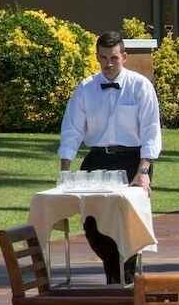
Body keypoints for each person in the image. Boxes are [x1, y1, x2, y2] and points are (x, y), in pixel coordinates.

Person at [58, 30, 161, 283]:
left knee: (127, 223)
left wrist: (144, 170)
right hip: (96, 160)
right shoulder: (85, 89)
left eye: (114, 57)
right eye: (103, 57)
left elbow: (150, 130)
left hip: (132, 160)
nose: (109, 63)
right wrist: (65, 171)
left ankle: (122, 284)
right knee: (92, 224)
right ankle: (117, 277)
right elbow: (72, 130)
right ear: (97, 57)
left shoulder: (140, 86)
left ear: (124, 56)